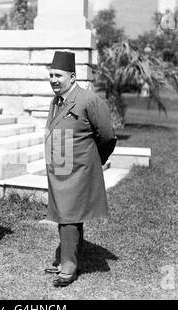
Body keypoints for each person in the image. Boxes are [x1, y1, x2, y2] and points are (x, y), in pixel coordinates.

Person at [44, 51, 117, 287]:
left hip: (79, 169)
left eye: (59, 75)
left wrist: (96, 161)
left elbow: (107, 136)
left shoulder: (89, 100)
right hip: (60, 167)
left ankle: (68, 268)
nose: (54, 79)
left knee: (68, 216)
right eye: (51, 75)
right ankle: (72, 259)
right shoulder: (55, 101)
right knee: (68, 215)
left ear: (73, 77)